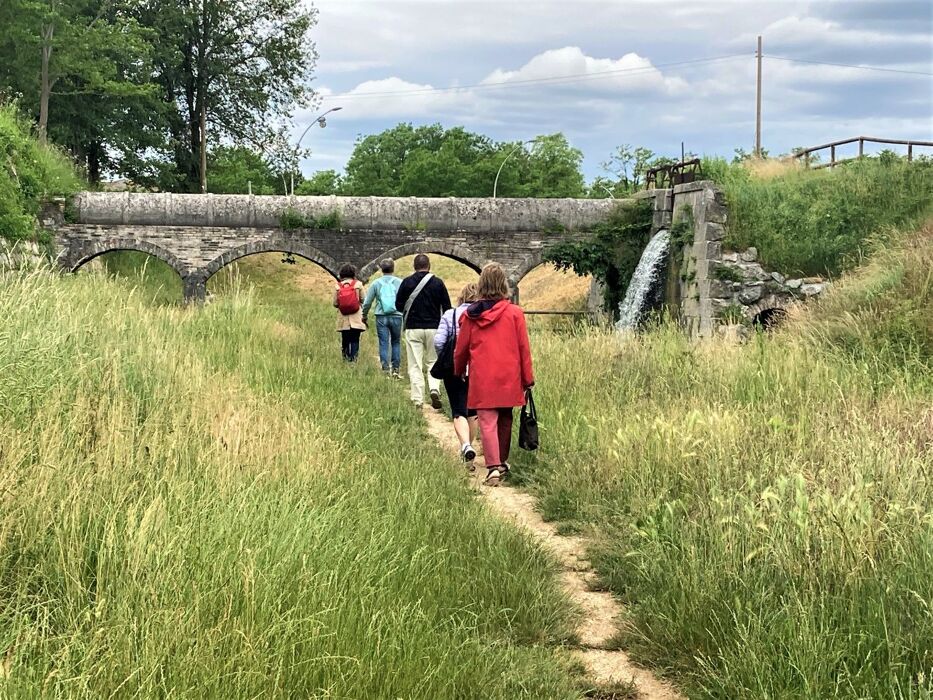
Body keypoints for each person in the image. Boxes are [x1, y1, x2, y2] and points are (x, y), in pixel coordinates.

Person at [454, 262, 533, 486]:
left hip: (483, 375)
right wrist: (527, 378)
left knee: (487, 420)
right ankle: (502, 462)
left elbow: (462, 348)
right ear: (503, 284)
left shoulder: (471, 316)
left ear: (482, 285)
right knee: (505, 419)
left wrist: (459, 370)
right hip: (509, 375)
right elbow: (523, 349)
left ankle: (493, 468)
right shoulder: (515, 313)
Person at [395, 254, 451, 409]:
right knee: (433, 360)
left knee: (415, 364)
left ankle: (418, 399)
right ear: (429, 265)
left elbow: (398, 305)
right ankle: (434, 388)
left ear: (414, 266)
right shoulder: (438, 283)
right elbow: (447, 307)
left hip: (413, 328)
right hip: (434, 327)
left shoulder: (407, 282)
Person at [434, 282, 481, 469]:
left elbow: (438, 342)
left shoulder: (450, 314)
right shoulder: (482, 315)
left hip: (455, 367)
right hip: (477, 368)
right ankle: (470, 451)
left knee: (458, 409)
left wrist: (445, 357)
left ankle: (465, 445)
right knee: (473, 412)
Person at [362, 258, 403, 378]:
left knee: (383, 342)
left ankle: (385, 369)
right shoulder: (399, 282)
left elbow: (368, 302)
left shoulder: (376, 283)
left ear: (381, 269)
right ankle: (395, 369)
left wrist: (364, 315)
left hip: (381, 316)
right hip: (396, 315)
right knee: (396, 342)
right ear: (393, 268)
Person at [334, 263, 366, 361]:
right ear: (353, 273)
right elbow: (363, 299)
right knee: (355, 339)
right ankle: (354, 360)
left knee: (345, 339)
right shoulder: (358, 284)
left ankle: (345, 359)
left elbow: (335, 303)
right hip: (356, 317)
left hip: (344, 318)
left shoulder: (338, 286)